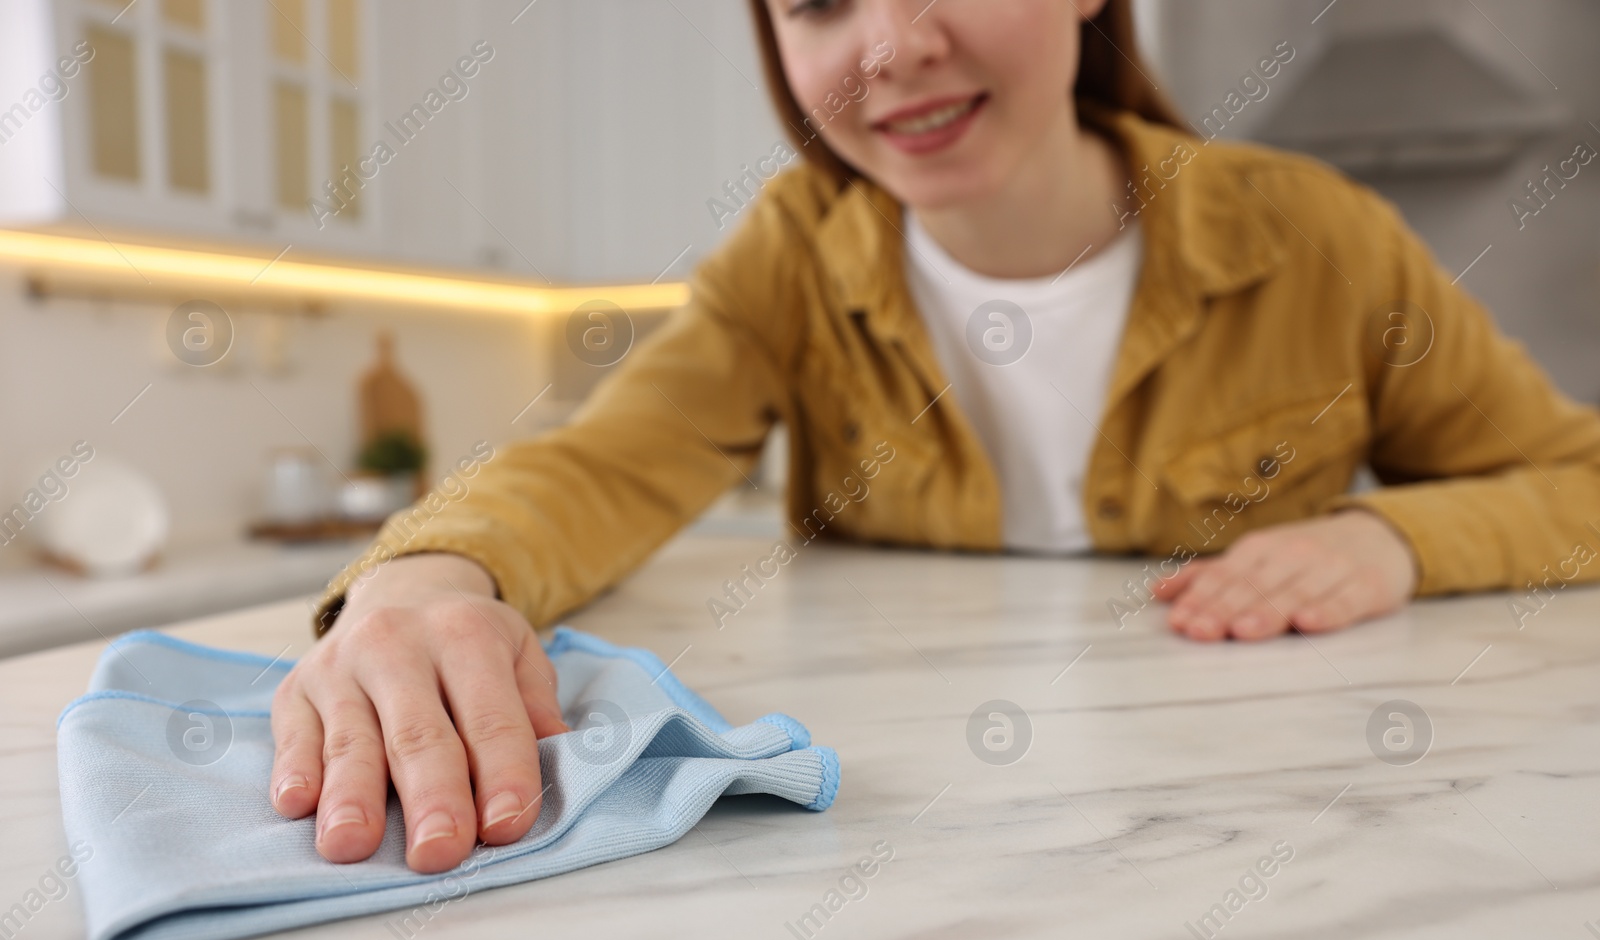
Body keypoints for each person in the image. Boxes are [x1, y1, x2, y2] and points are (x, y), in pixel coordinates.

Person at [270, 0, 1600, 872]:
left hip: (1260, 842)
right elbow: (611, 460)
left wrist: (1393, 539)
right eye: (819, 3)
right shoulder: (789, 256)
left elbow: (1577, 482)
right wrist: (426, 579)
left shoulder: (1319, 236)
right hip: (910, 843)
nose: (890, 46)